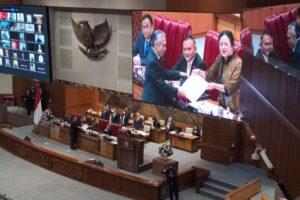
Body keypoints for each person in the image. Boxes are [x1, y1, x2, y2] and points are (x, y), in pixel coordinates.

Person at [193, 30, 242, 112]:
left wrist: (215, 85)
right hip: (221, 105)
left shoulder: (238, 63)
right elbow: (209, 75)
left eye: (226, 44)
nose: (223, 47)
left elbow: (230, 89)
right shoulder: (219, 58)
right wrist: (199, 72)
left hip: (234, 109)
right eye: (221, 44)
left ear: (232, 45)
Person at [141, 29, 189, 106]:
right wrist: (178, 92)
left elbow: (164, 73)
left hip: (159, 95)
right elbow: (161, 85)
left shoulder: (155, 56)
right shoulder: (152, 61)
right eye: (164, 45)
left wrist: (180, 74)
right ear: (156, 45)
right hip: (152, 100)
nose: (165, 49)